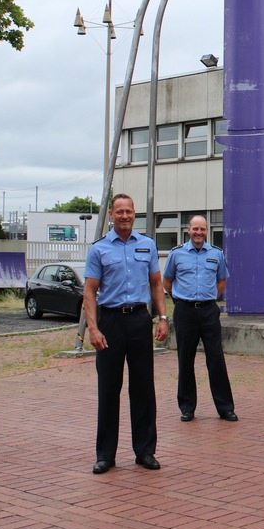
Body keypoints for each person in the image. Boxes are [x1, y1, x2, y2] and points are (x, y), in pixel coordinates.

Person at [83, 194, 170, 474]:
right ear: (111, 214)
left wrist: (163, 318)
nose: (124, 216)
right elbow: (90, 291)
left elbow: (156, 284)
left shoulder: (147, 245)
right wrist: (93, 329)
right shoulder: (98, 249)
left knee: (143, 388)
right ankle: (105, 455)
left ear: (135, 214)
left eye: (128, 211)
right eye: (119, 212)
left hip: (138, 321)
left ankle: (145, 451)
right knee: (109, 388)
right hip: (109, 322)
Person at [163, 214, 237, 422]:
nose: (199, 233)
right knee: (185, 359)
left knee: (216, 359)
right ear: (188, 230)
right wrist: (178, 301)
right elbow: (167, 281)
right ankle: (187, 407)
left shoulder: (216, 254)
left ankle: (225, 408)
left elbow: (222, 280)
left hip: (208, 311)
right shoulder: (176, 254)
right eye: (195, 229)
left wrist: (212, 296)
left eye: (202, 229)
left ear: (207, 231)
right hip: (184, 311)